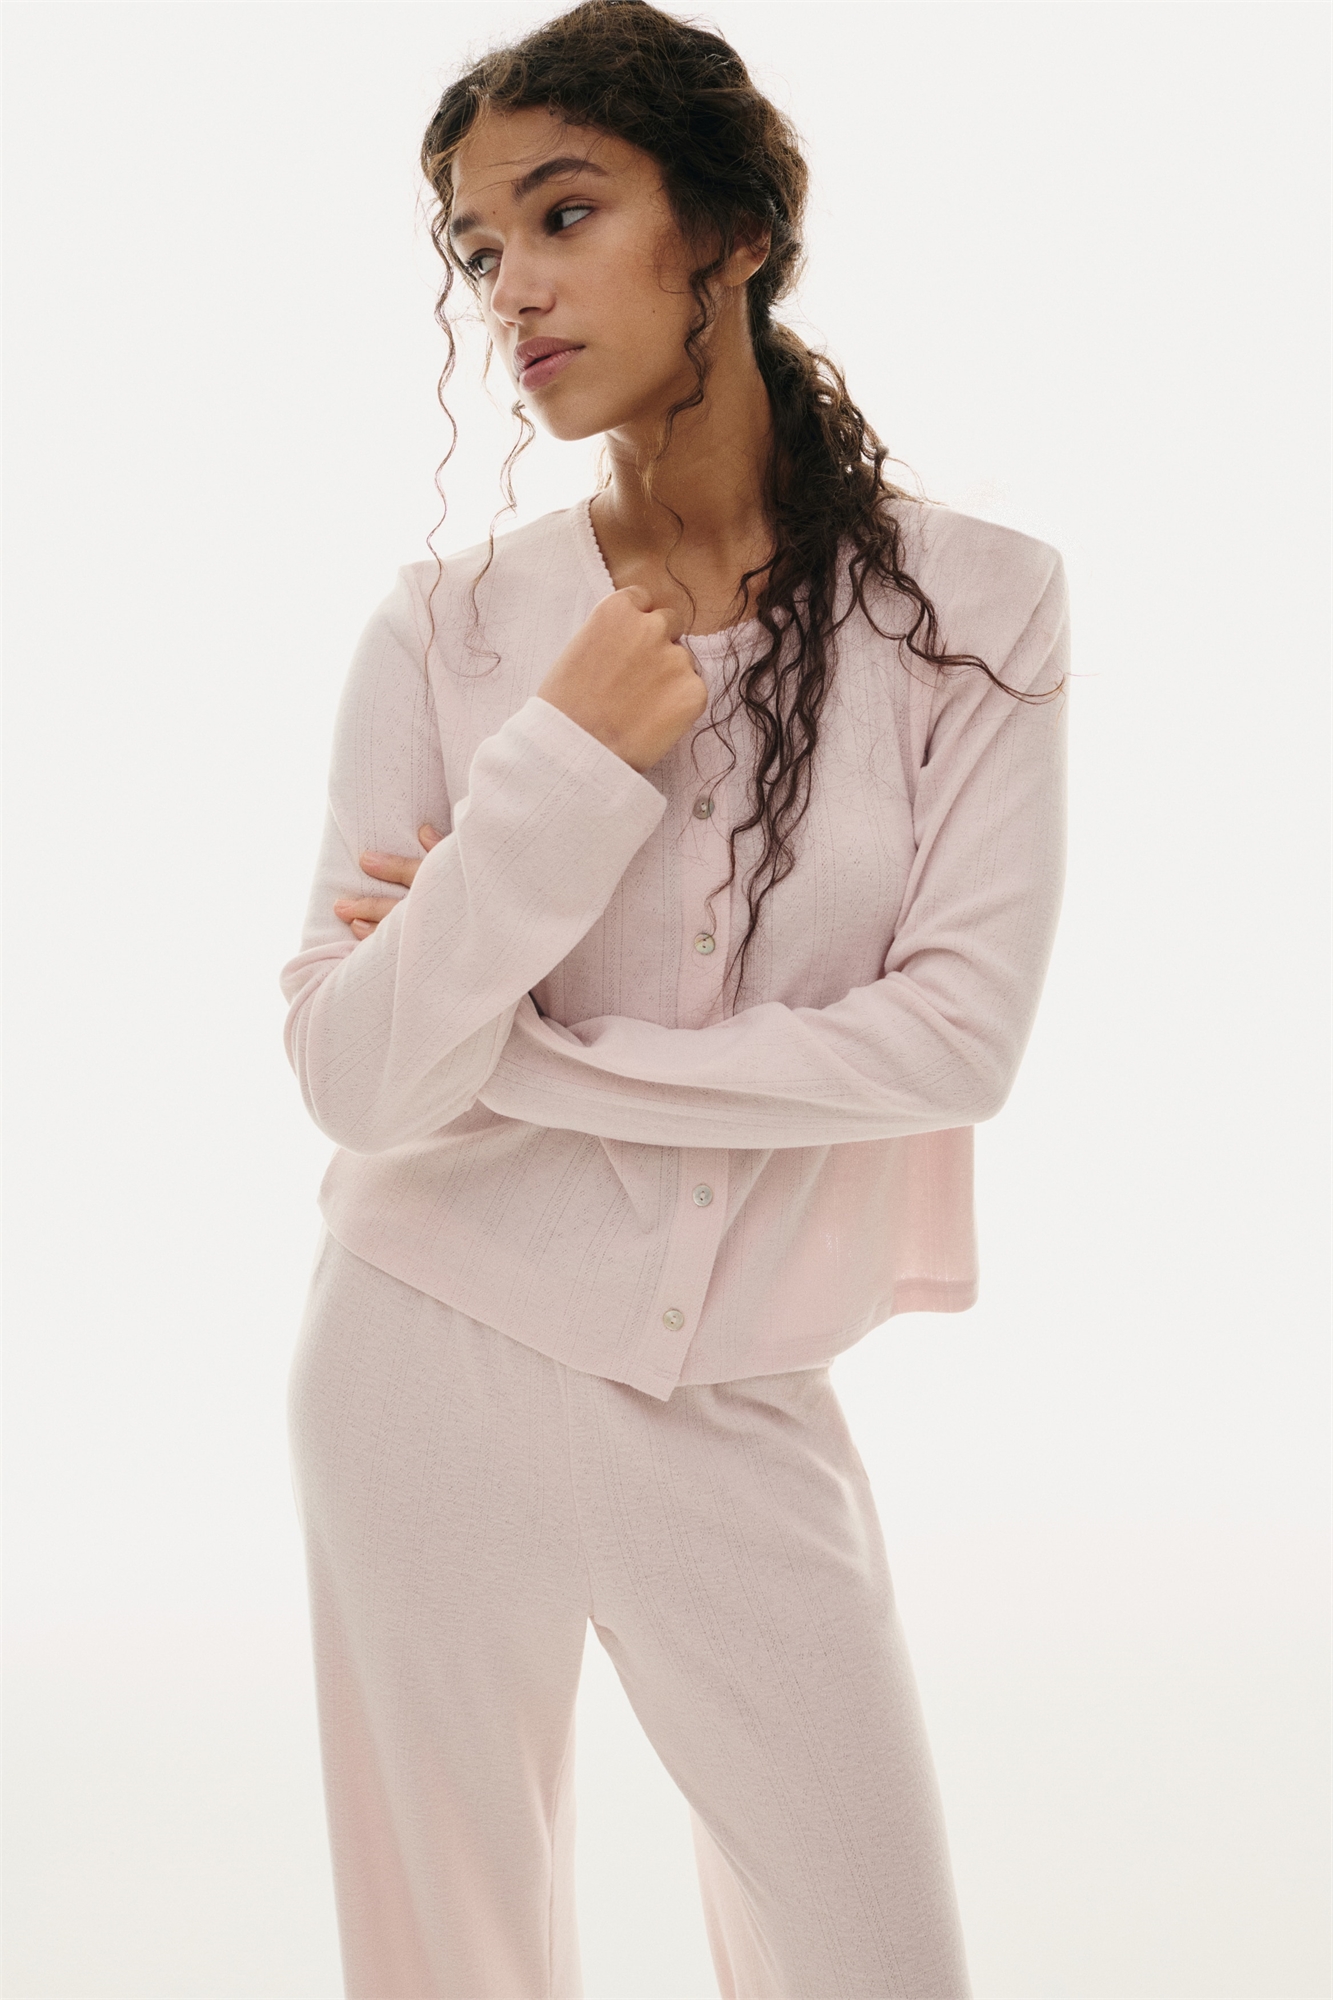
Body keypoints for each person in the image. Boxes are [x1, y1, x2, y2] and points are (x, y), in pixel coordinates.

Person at [279, 2, 1069, 1994]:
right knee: (448, 1962)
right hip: (419, 1355)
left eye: (564, 215)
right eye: (478, 248)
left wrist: (523, 1053)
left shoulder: (979, 613)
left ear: (729, 226)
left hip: (733, 1396)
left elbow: (956, 1039)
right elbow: (356, 1081)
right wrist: (556, 766)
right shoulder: (452, 633)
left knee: (874, 1956)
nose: (511, 289)